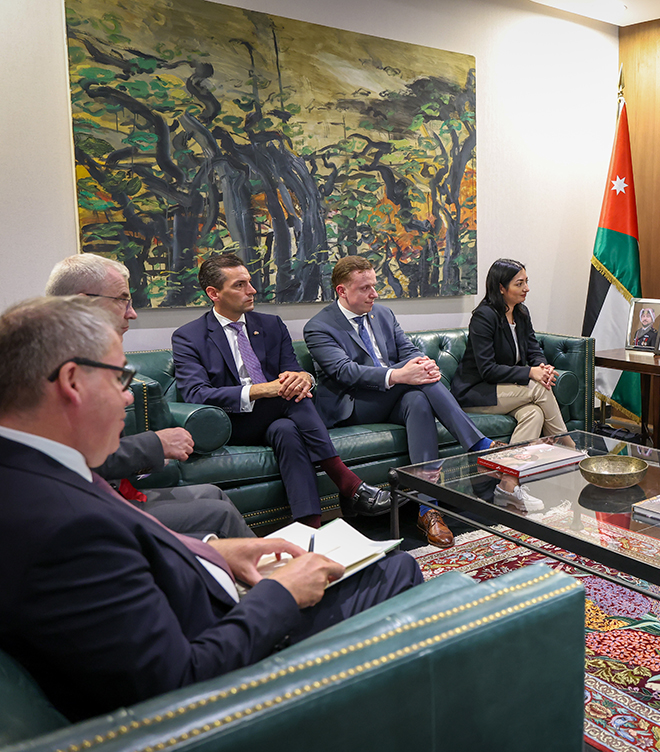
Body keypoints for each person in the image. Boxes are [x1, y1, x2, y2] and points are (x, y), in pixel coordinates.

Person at [0, 296, 424, 722]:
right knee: (398, 569)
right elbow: (179, 682)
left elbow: (125, 549)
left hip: (201, 600)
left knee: (289, 429)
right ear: (72, 383)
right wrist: (282, 592)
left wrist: (211, 549)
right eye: (120, 378)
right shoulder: (65, 526)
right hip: (228, 658)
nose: (128, 398)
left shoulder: (33, 472)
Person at [172, 254, 391, 529]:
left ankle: (309, 527)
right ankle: (346, 481)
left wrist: (304, 379)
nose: (252, 290)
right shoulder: (189, 336)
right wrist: (261, 390)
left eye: (249, 282)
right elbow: (196, 394)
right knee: (289, 399)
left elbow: (294, 371)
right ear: (214, 293)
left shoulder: (271, 325)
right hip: (231, 421)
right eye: (240, 285)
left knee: (287, 429)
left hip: (277, 417)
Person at [45, 254, 253, 538]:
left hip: (105, 493)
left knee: (212, 493)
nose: (132, 313)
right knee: (218, 514)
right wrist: (156, 444)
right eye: (122, 300)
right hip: (81, 509)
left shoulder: (83, 355)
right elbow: (69, 459)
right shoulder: (53, 367)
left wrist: (150, 454)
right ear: (83, 304)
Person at [303, 255, 497, 548]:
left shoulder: (383, 314)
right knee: (419, 383)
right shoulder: (319, 326)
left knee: (418, 399)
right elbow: (344, 372)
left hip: (393, 398)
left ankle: (428, 508)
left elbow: (407, 350)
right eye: (365, 288)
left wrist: (422, 363)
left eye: (374, 286)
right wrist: (400, 374)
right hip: (354, 405)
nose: (374, 294)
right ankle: (480, 446)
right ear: (342, 291)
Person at [449, 258, 569, 452]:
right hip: (476, 391)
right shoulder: (484, 316)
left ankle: (510, 467)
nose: (526, 288)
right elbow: (488, 370)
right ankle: (569, 448)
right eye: (519, 284)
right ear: (501, 288)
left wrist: (542, 367)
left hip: (505, 388)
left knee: (534, 413)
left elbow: (533, 348)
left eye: (526, 282)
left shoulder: (521, 313)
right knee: (539, 388)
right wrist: (530, 372)